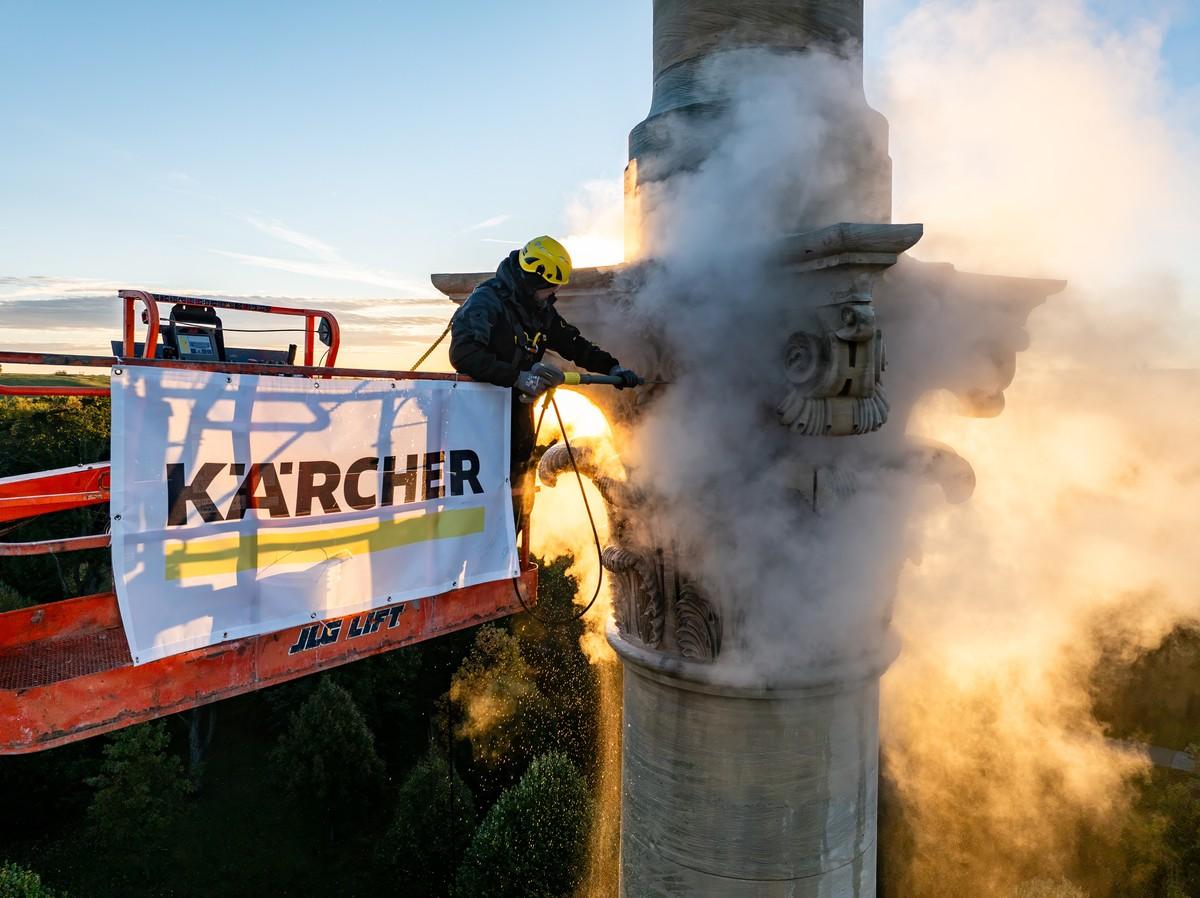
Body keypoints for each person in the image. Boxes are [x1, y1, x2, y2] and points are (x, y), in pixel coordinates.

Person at [448, 236, 639, 516]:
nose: (553, 294)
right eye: (550, 288)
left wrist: (612, 368)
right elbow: (464, 353)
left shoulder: (537, 308)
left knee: (517, 501)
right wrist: (516, 376)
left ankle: (511, 550)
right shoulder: (487, 301)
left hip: (515, 417)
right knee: (484, 500)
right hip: (481, 417)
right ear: (534, 278)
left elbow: (572, 343)